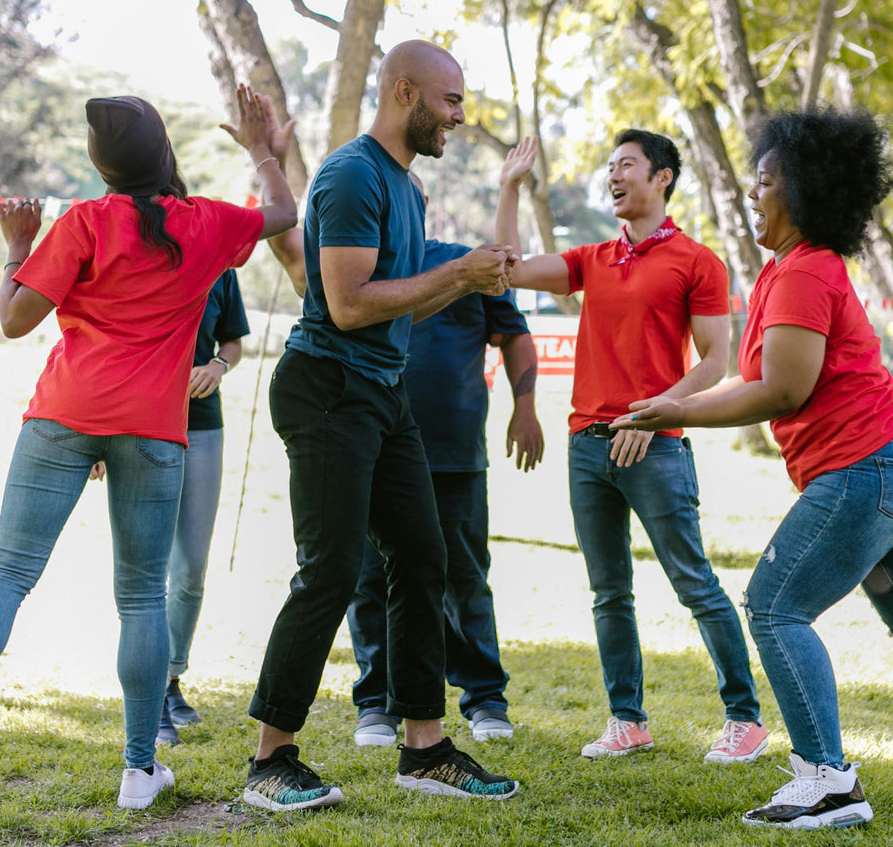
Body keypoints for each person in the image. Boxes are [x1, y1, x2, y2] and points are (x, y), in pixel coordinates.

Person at [619, 107, 893, 829]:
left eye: (764, 181)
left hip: (872, 468)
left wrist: (674, 413)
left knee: (774, 607)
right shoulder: (786, 271)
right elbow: (764, 381)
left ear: (802, 191)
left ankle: (827, 781)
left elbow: (784, 389)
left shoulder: (803, 274)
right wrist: (674, 401)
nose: (751, 193)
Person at [0, 86, 298, 809]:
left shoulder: (83, 222)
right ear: (164, 156)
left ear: (101, 167)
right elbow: (285, 214)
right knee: (143, 596)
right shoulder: (205, 222)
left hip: (63, 413)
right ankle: (139, 770)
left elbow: (15, 320)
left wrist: (18, 247)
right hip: (152, 427)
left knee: (7, 572)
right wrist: (262, 148)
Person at [242, 41, 521, 812]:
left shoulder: (408, 188)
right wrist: (458, 272)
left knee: (424, 558)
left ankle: (425, 749)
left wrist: (462, 280)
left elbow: (408, 301)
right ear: (405, 92)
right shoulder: (352, 173)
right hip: (329, 387)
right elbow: (347, 303)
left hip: (382, 392)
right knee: (330, 571)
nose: (460, 119)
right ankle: (271, 759)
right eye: (451, 101)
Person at [495, 132, 767, 764]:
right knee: (608, 591)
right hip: (586, 447)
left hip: (657, 448)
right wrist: (510, 187)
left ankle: (744, 719)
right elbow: (503, 267)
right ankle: (627, 720)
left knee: (694, 583)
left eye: (626, 165)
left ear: (662, 178)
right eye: (609, 166)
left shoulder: (698, 262)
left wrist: (658, 412)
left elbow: (715, 362)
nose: (613, 175)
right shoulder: (592, 258)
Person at [347, 231, 544, 747]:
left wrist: (525, 408)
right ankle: (377, 703)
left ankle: (484, 698)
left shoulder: (465, 262)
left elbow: (514, 333)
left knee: (464, 578)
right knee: (371, 577)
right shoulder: (358, 268)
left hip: (453, 449)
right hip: (373, 447)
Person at [90, 268, 251, 746]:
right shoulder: (136, 257)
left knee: (191, 569)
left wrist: (219, 365)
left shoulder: (221, 268)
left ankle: (172, 677)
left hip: (202, 426)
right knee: (147, 574)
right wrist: (99, 438)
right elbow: (106, 343)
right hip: (138, 422)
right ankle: (152, 697)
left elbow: (233, 344)